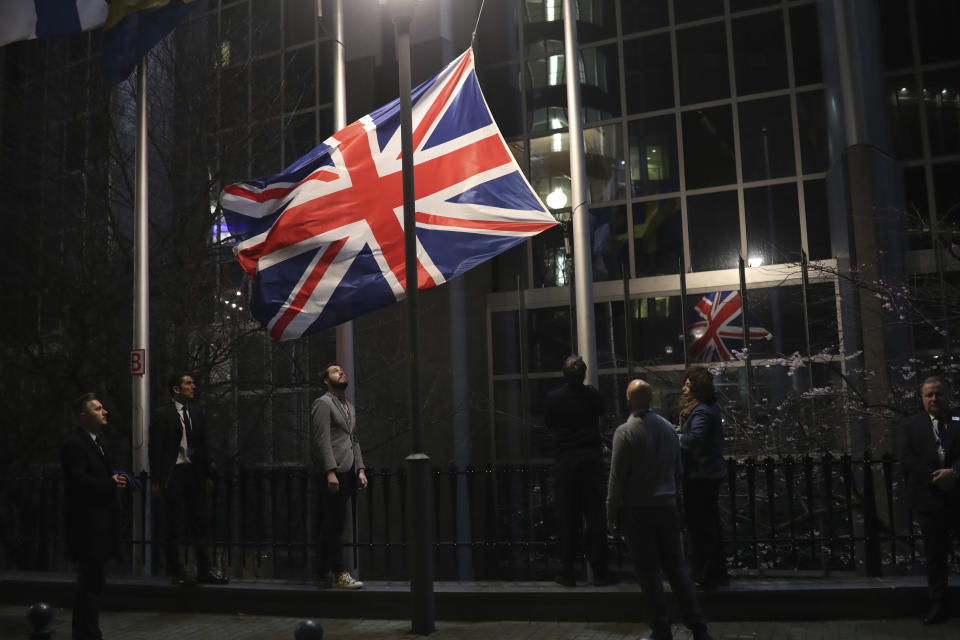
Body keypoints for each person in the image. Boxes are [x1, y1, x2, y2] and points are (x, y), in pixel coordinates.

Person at [607, 380, 714, 640]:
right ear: (652, 399)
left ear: (629, 399)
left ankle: (661, 628)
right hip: (667, 506)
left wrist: (611, 512)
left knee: (648, 571)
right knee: (677, 568)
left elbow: (617, 477)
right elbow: (678, 468)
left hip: (638, 509)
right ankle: (698, 626)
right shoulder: (668, 428)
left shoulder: (625, 432)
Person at [149, 373, 228, 586]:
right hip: (174, 473)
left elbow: (204, 446)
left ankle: (204, 569)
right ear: (176, 389)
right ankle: (177, 571)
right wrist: (156, 480)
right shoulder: (163, 414)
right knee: (173, 523)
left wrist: (207, 475)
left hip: (194, 473)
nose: (193, 386)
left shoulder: (196, 412)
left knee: (200, 522)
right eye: (188, 383)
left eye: (193, 382)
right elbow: (155, 448)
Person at [61, 392, 128, 640]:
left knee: (94, 582)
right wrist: (110, 484)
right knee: (90, 584)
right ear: (83, 415)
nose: (104, 412)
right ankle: (86, 633)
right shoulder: (74, 444)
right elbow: (78, 482)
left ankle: (88, 631)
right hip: (88, 526)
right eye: (98, 409)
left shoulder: (97, 442)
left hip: (99, 524)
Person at [897, 376, 960, 625]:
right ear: (922, 398)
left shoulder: (958, 420)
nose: (934, 399)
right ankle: (938, 605)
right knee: (935, 555)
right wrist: (935, 477)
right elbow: (906, 456)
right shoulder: (909, 425)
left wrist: (954, 473)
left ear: (947, 394)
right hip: (929, 498)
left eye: (938, 394)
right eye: (929, 395)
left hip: (958, 494)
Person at [543, 355, 611, 586]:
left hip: (566, 460)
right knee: (595, 516)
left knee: (568, 517)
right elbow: (600, 413)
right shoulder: (593, 396)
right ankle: (600, 570)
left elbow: (550, 424)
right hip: (590, 459)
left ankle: (567, 570)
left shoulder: (553, 399)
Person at [312, 363, 368, 589]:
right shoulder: (323, 403)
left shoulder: (349, 407)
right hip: (333, 472)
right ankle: (339, 572)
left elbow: (353, 440)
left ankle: (321, 571)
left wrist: (361, 469)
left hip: (347, 470)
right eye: (335, 371)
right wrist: (330, 472)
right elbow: (322, 439)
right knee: (335, 524)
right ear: (326, 380)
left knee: (332, 523)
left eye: (341, 370)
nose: (341, 372)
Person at [677, 364, 729, 590]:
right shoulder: (705, 409)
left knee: (700, 526)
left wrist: (674, 436)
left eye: (688, 385)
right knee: (708, 525)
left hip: (700, 475)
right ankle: (713, 574)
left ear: (698, 388)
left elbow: (695, 439)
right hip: (707, 474)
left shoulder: (700, 411)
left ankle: (704, 574)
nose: (684, 389)